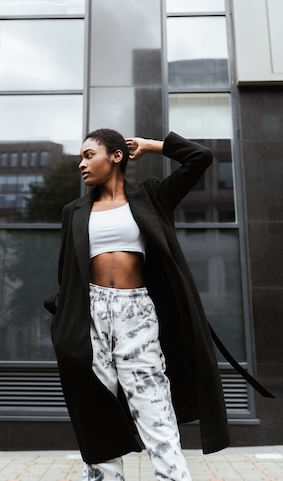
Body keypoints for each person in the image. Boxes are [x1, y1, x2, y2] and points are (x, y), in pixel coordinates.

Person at [44, 129, 230, 481]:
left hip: (137, 315)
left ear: (115, 156)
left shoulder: (151, 196)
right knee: (97, 420)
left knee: (156, 413)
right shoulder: (75, 211)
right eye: (80, 159)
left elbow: (200, 157)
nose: (81, 164)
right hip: (90, 318)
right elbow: (66, 274)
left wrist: (151, 146)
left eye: (88, 155)